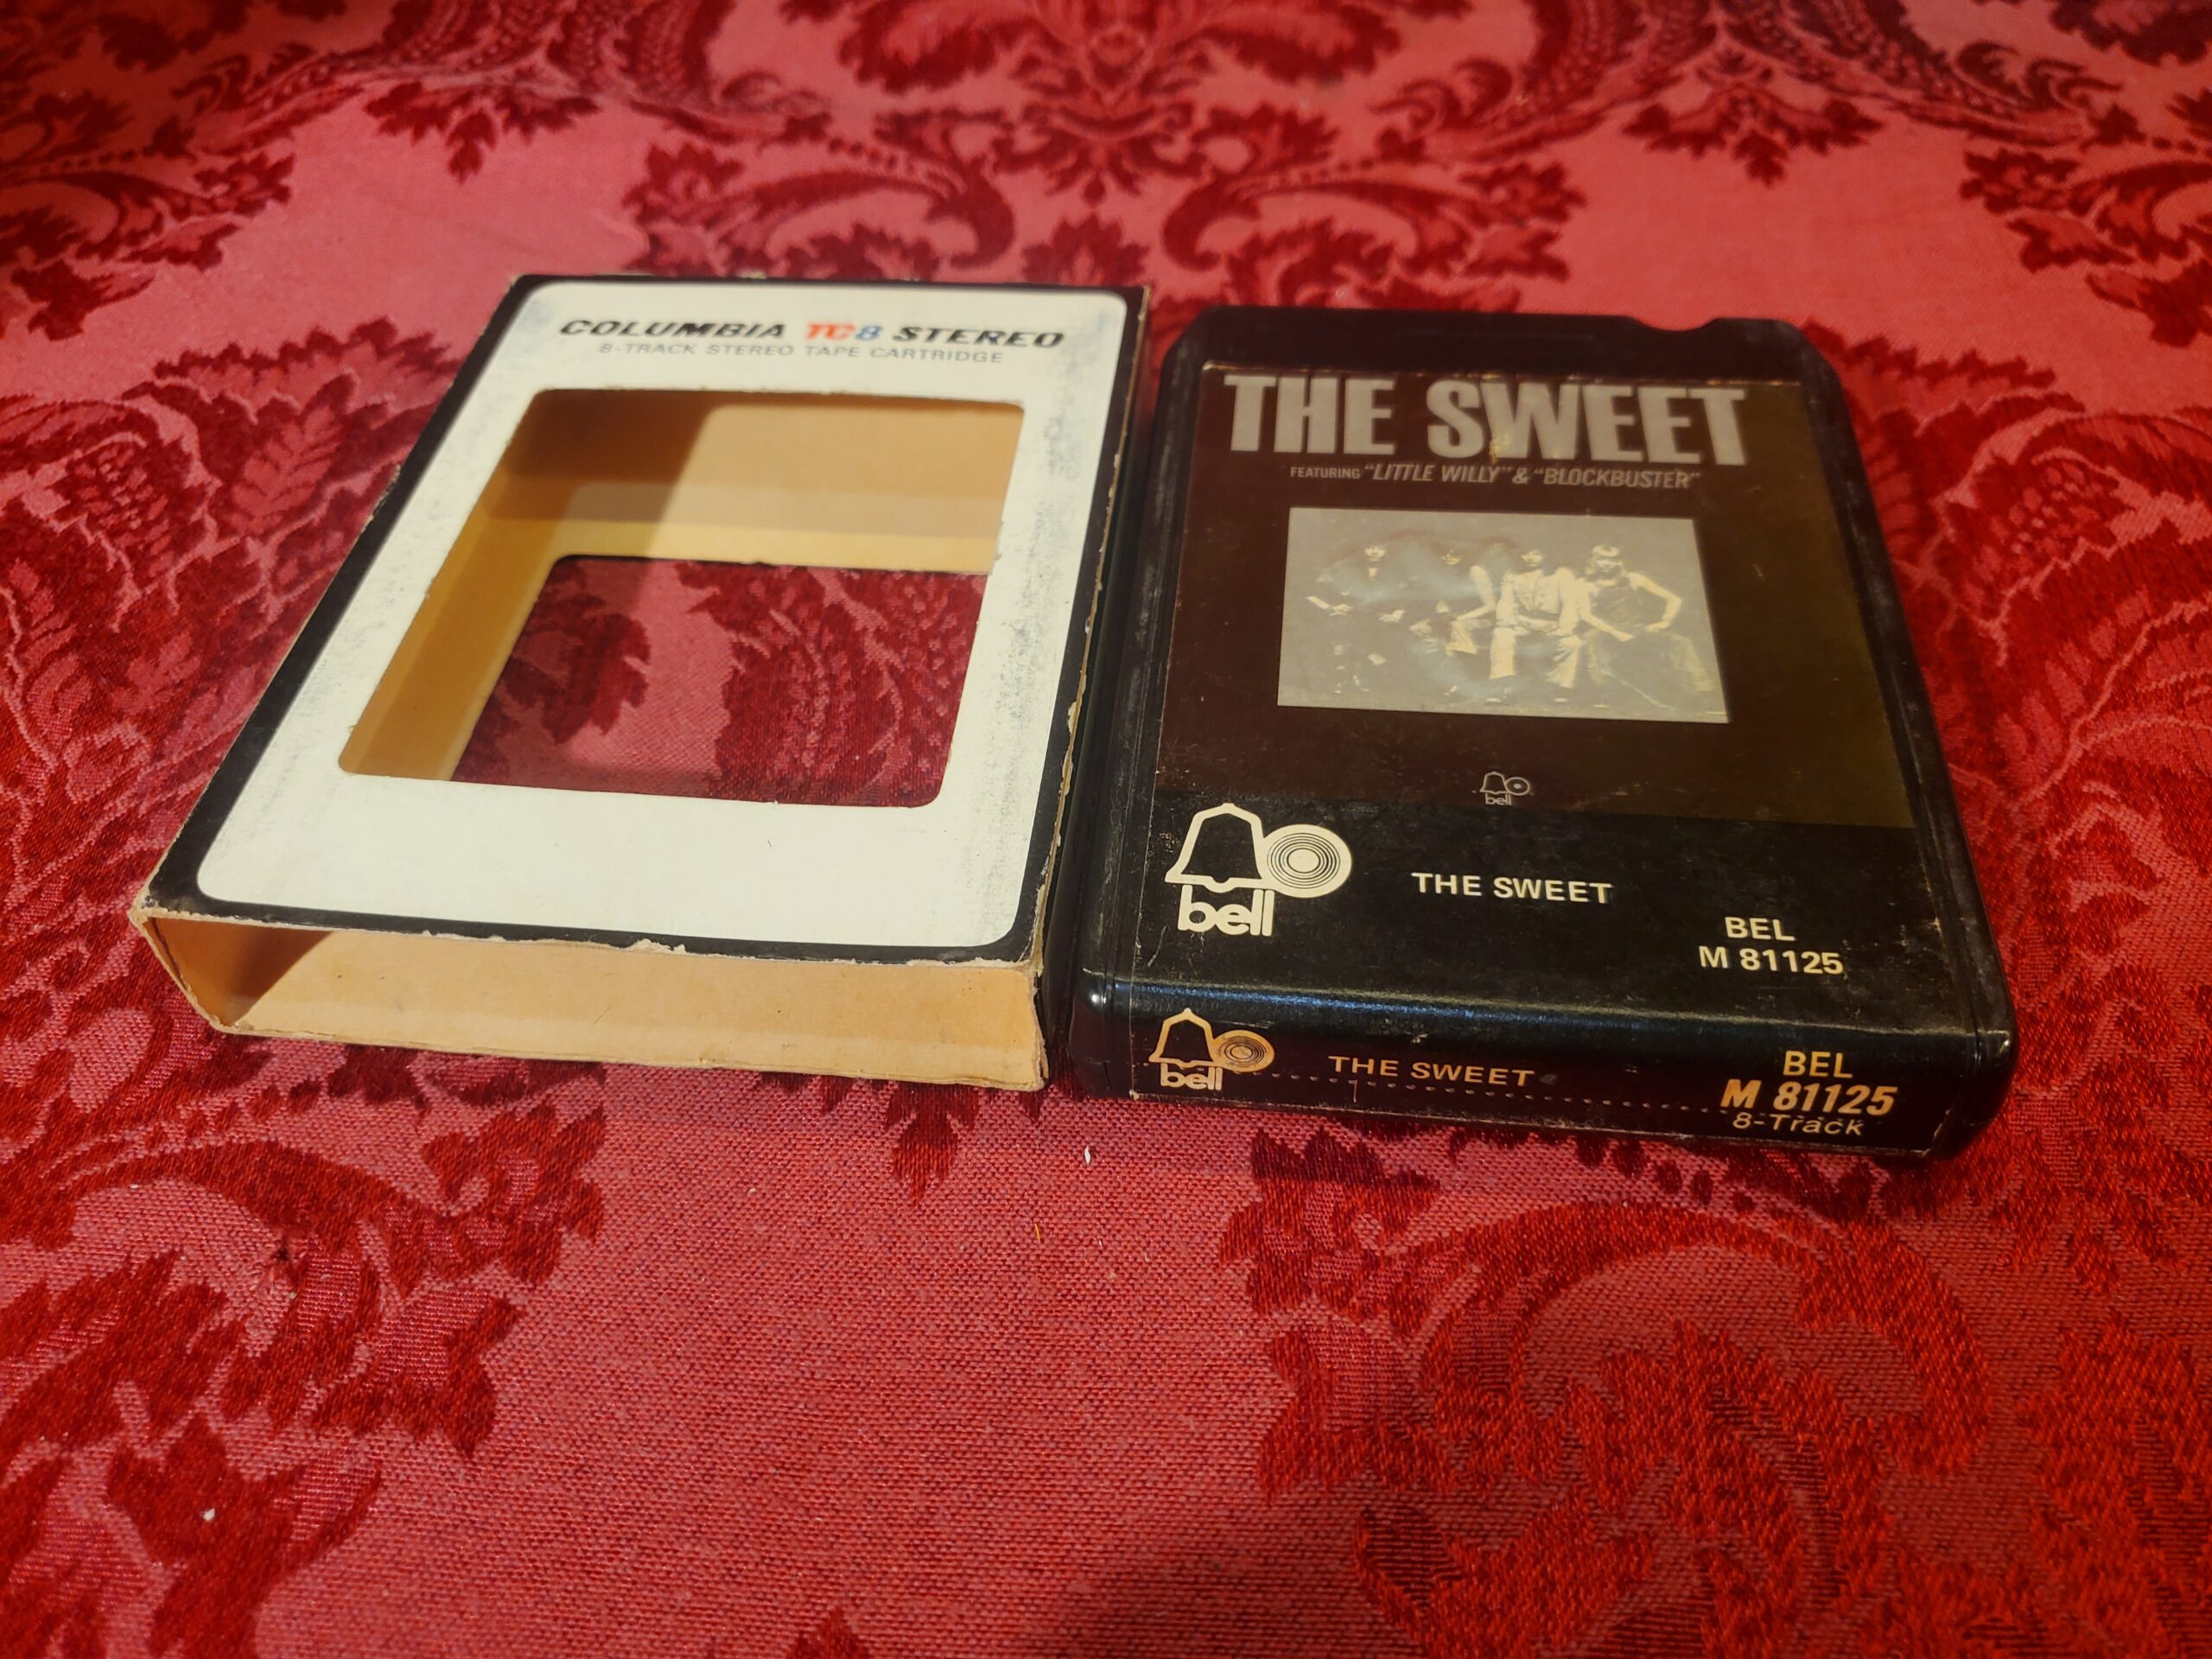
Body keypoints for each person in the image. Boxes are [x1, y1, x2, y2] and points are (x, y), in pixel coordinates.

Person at [1574, 543, 1719, 714]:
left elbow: (1674, 599)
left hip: (1637, 629)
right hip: (1608, 631)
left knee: (1681, 642)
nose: (1607, 564)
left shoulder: (1634, 579)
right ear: (1594, 561)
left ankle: (1703, 693)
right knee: (1592, 637)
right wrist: (1616, 633)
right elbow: (1587, 616)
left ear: (1619, 562)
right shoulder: (1586, 585)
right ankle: (1604, 691)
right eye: (1602, 559)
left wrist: (1664, 622)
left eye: (1612, 560)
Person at [1479, 544, 1582, 691]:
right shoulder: (1512, 574)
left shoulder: (1562, 574)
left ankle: (1558, 687)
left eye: (1537, 553)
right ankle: (1503, 684)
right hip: (1522, 623)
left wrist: (1565, 627)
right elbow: (1506, 601)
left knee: (1572, 643)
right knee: (1501, 634)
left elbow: (1570, 604)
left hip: (1551, 625)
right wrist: (1505, 620)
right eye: (1526, 553)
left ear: (1546, 554)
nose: (1531, 558)